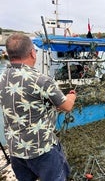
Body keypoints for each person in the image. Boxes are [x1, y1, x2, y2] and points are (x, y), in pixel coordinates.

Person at [0, 33, 77, 180]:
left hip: (15, 150)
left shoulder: (3, 77)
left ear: (9, 55)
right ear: (32, 53)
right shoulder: (41, 80)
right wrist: (72, 95)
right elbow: (66, 106)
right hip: (42, 150)